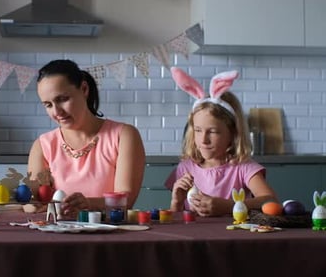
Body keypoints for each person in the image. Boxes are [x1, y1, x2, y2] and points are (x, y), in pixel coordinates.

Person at [27, 59, 146, 218]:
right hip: (57, 237)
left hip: (111, 235)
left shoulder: (124, 136)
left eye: (62, 99)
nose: (57, 112)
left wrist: (88, 204)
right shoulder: (42, 146)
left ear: (84, 89)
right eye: (48, 105)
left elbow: (126, 200)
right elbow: (34, 202)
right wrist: (28, 203)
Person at [164, 67, 278, 217]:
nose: (203, 140)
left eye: (212, 132)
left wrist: (229, 206)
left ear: (233, 133)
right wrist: (176, 203)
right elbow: (175, 221)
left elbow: (271, 202)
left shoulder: (243, 167)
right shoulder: (185, 168)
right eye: (198, 130)